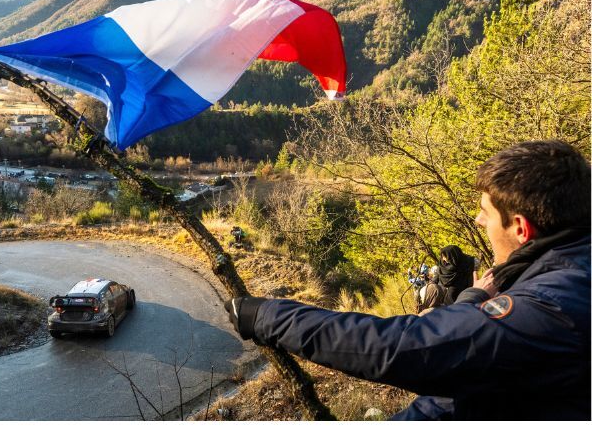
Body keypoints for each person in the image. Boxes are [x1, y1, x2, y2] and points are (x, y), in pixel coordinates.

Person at [224, 140, 590, 420]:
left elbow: (401, 349)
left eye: (485, 213)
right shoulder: (571, 271)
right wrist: (471, 304)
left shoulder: (550, 308)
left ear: (521, 227)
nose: (479, 222)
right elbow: (475, 366)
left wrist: (268, 316)